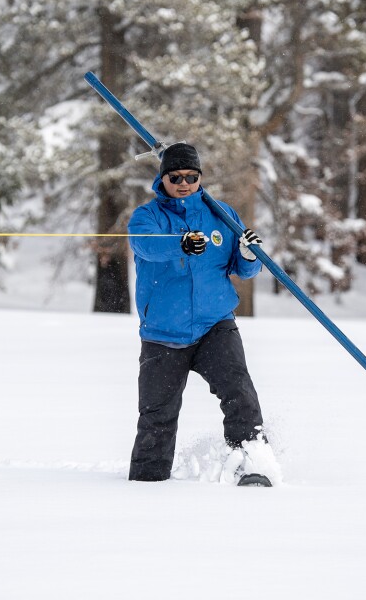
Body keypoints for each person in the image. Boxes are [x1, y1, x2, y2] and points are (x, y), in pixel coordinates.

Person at [126, 142, 280, 486]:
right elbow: (144, 245)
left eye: (191, 176)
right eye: (175, 176)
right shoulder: (148, 216)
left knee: (240, 393)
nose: (183, 183)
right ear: (162, 178)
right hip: (164, 333)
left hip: (215, 324)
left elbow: (242, 269)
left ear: (200, 177)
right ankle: (147, 481)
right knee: (157, 415)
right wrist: (179, 243)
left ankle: (253, 464)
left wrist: (249, 254)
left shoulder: (221, 214)